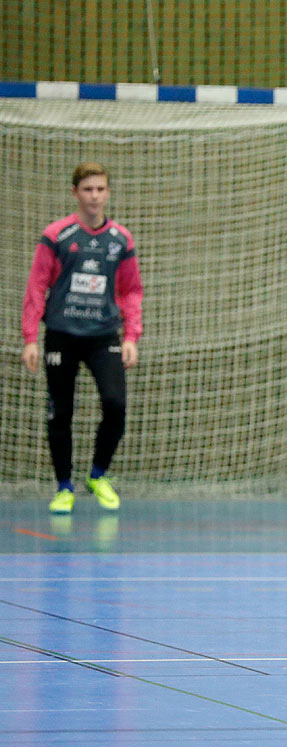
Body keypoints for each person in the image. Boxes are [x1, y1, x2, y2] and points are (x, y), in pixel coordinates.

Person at [21, 162, 143, 514]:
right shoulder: (57, 236)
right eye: (88, 189)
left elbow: (131, 290)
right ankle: (63, 487)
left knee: (116, 405)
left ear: (108, 193)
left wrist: (132, 334)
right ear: (75, 192)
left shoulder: (121, 240)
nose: (95, 196)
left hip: (103, 335)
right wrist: (31, 336)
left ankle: (97, 474)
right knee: (60, 413)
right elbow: (37, 285)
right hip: (61, 335)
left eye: (101, 189)